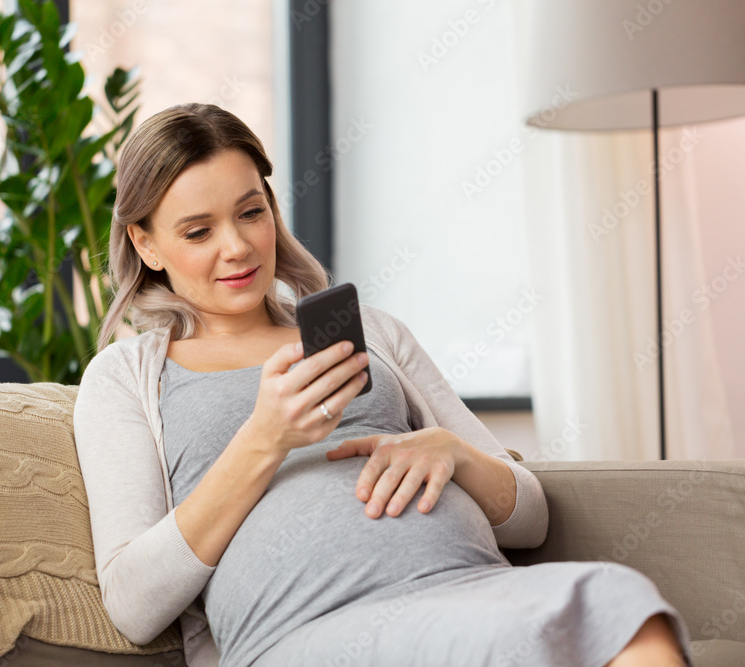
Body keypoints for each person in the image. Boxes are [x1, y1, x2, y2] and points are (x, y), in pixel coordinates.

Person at [73, 103, 692, 667]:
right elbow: (133, 602)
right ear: (146, 243)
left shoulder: (370, 331)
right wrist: (263, 440)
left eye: (250, 212)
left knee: (621, 603)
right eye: (198, 231)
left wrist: (454, 455)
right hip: (309, 633)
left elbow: (528, 516)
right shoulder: (127, 377)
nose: (236, 247)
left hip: (473, 588)